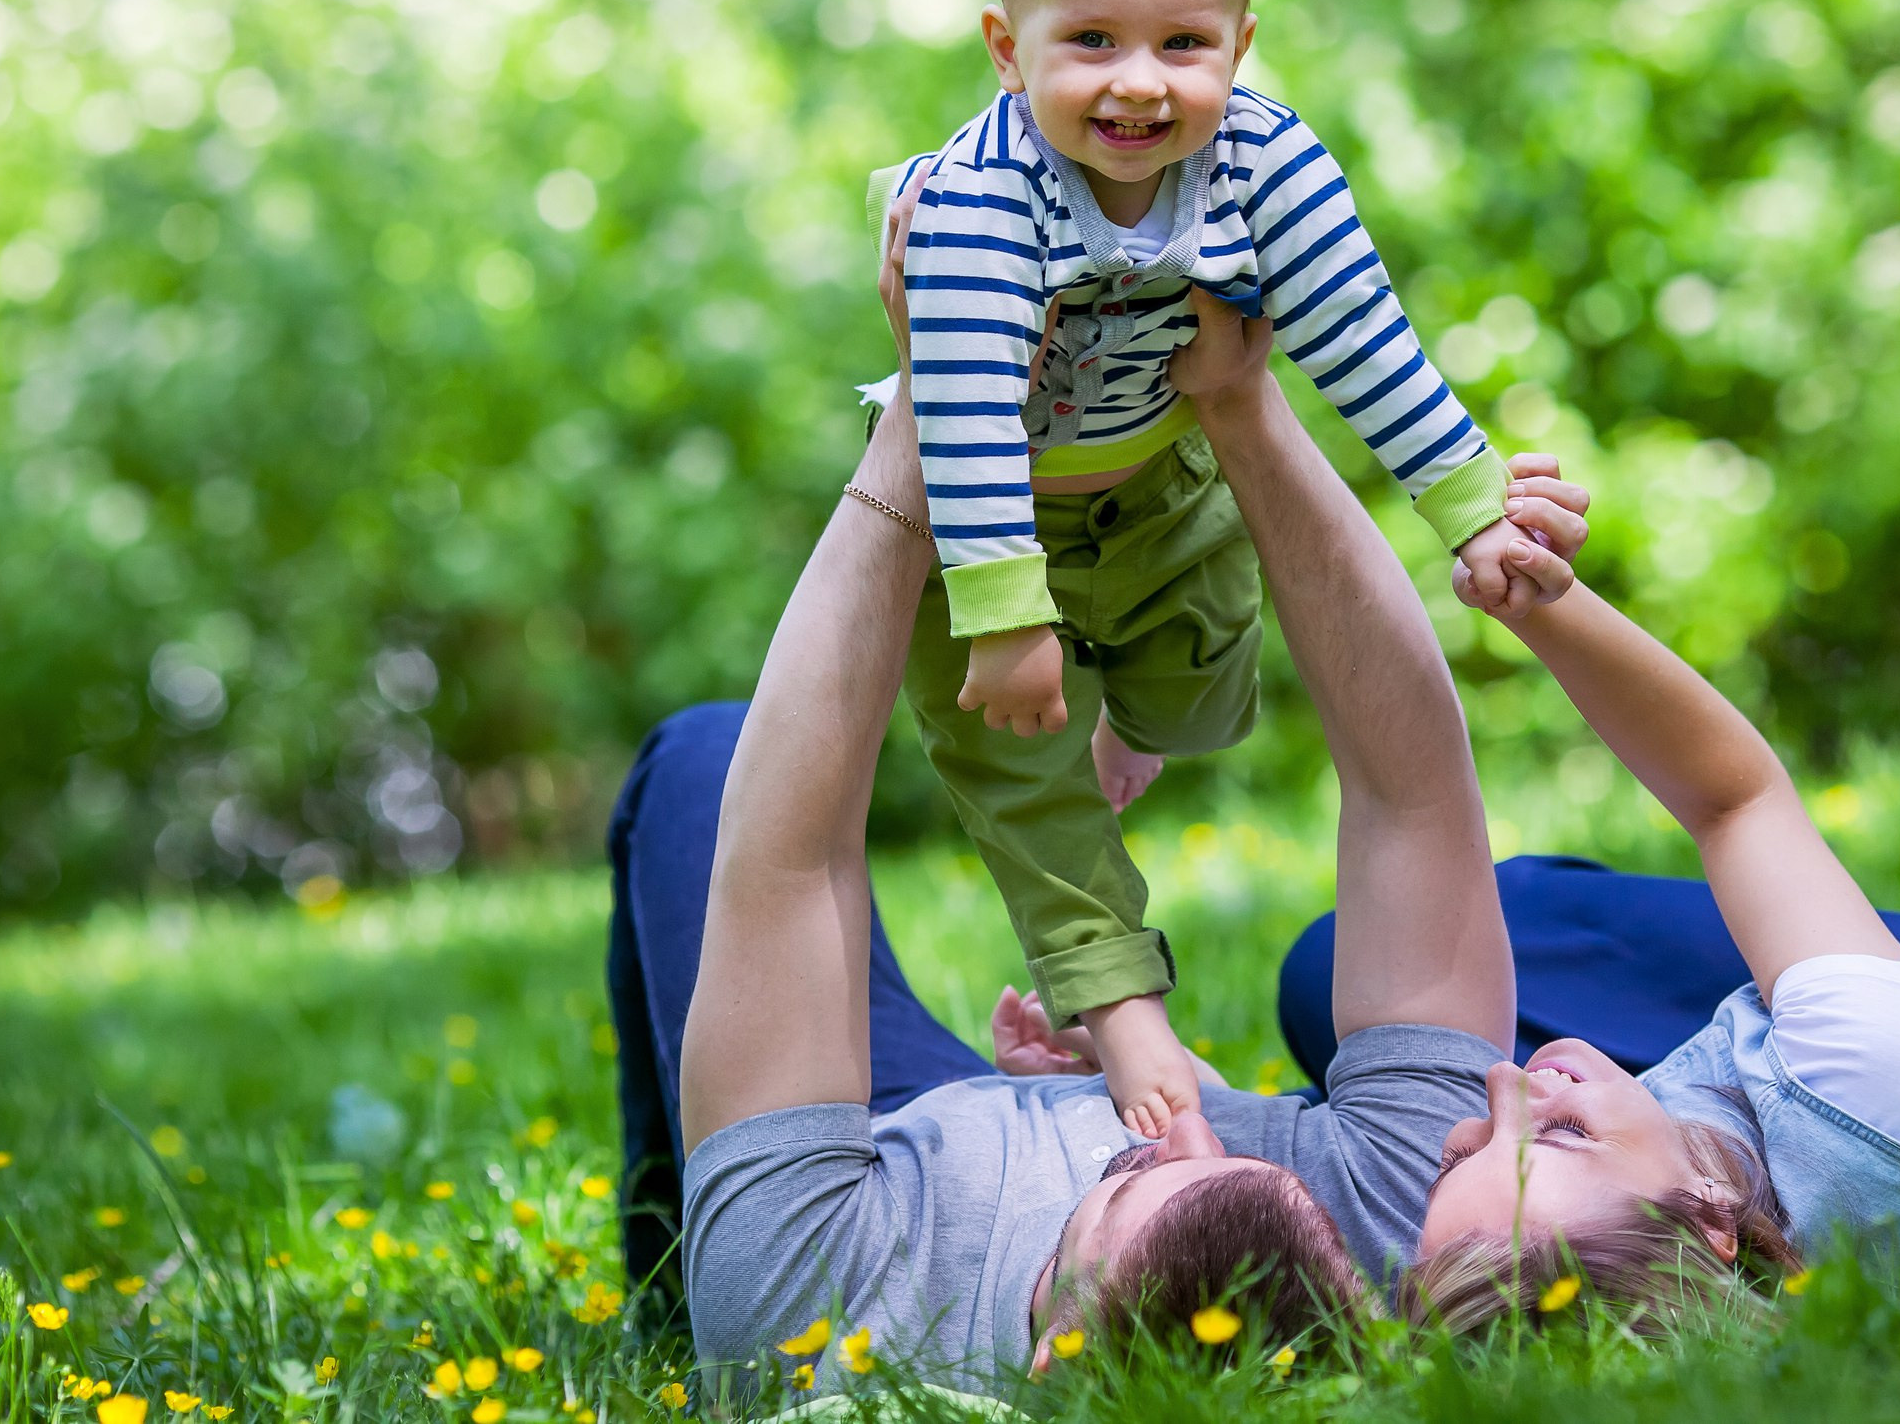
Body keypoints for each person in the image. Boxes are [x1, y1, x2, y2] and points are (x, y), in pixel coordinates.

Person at [634, 293, 1588, 1394]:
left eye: (1134, 1172)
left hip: (874, 1165)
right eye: (1232, 1153)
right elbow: (1411, 797)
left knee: (703, 761)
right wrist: (1237, 401)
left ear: (1057, 1354)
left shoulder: (812, 1311)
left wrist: (925, 408)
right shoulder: (1401, 1221)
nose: (1188, 1126)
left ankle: (674, 1245)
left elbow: (791, 862)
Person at [866, 0, 1544, 1138]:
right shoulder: (976, 203)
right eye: (1092, 41)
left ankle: (1138, 731)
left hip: (1163, 486)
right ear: (1008, 49)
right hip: (985, 515)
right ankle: (1117, 1004)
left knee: (1203, 687)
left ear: (1240, 42)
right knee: (1017, 773)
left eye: (1183, 42)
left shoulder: (1264, 161)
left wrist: (1474, 508)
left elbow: (1361, 335)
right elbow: (967, 411)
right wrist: (1004, 616)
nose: (1140, 82)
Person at [1399, 567, 1900, 1329]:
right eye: (1564, 1132)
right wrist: (1542, 600)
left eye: (1459, 1156)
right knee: (1520, 910)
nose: (1504, 1079)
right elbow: (1735, 801)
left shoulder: (1661, 1282)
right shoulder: (1874, 1071)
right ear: (1713, 1219)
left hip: (1864, 1128)